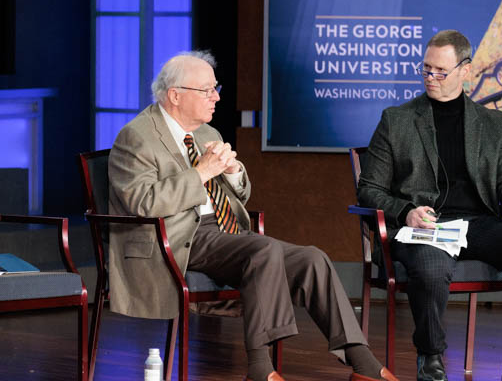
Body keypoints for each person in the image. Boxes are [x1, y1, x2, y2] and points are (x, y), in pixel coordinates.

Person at [108, 51, 397, 381]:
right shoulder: (136, 137)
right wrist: (200, 173)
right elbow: (142, 204)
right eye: (207, 90)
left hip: (225, 232)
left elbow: (239, 195)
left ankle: (362, 364)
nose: (216, 97)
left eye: (215, 88)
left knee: (313, 259)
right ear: (175, 95)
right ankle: (260, 368)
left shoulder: (207, 133)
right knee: (263, 249)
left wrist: (231, 172)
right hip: (175, 238)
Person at [357, 30, 502, 381]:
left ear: (466, 70)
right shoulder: (396, 120)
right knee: (430, 265)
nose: (431, 78)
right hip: (425, 226)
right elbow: (368, 190)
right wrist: (406, 212)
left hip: (477, 224)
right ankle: (430, 356)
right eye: (426, 69)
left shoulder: (493, 124)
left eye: (440, 72)